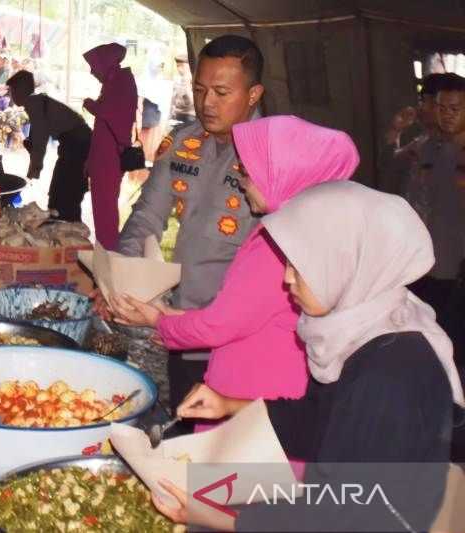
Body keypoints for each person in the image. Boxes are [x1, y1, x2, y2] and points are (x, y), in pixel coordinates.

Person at [153, 181, 462, 532]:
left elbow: (351, 518)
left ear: (347, 263)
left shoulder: (389, 377)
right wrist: (230, 404)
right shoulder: (362, 329)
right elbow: (322, 421)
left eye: (301, 266)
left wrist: (215, 517)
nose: (286, 279)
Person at [113, 114, 359, 405]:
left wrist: (157, 319)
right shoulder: (292, 230)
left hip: (256, 398)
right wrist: (164, 318)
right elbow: (239, 316)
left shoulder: (279, 245)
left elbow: (221, 324)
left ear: (282, 174)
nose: (242, 183)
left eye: (249, 172)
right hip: (249, 394)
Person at [110, 35, 265, 415]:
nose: (206, 103)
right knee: (185, 433)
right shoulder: (184, 143)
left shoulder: (272, 158)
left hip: (242, 340)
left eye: (221, 92)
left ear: (253, 94)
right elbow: (147, 214)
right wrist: (126, 276)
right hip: (182, 328)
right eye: (199, 89)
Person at [404, 73, 465, 370]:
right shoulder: (430, 148)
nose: (446, 115)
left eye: (455, 109)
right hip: (428, 261)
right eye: (442, 108)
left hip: (457, 268)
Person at [7, 70, 92, 221]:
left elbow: (40, 142)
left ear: (20, 91)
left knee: (64, 192)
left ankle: (67, 226)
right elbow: (39, 135)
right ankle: (65, 222)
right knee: (62, 190)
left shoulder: (35, 104)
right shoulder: (36, 102)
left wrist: (34, 170)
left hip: (77, 143)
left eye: (12, 91)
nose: (11, 96)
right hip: (75, 141)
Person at [82, 42, 137, 250]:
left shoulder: (121, 82)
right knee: (102, 206)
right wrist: (90, 159)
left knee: (105, 208)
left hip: (110, 156)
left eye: (94, 66)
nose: (92, 71)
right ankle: (106, 248)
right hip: (103, 154)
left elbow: (108, 112)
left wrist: (90, 104)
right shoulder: (115, 81)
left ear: (105, 64)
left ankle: (109, 252)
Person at [170, 54, 195, 124]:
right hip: (176, 116)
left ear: (189, 66)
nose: (179, 69)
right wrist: (171, 114)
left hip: (189, 116)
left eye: (182, 66)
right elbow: (173, 100)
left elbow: (191, 102)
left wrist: (186, 84)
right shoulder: (177, 80)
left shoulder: (193, 80)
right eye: (178, 66)